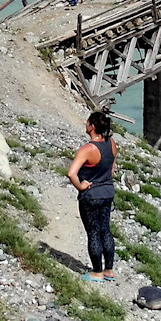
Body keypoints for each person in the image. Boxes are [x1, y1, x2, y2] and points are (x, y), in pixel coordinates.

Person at [65, 109, 116, 281]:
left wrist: (81, 186)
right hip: (108, 191)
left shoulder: (87, 149)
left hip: (91, 195)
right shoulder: (111, 143)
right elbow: (113, 167)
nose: (85, 124)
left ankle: (97, 272)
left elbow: (71, 173)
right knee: (106, 231)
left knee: (93, 232)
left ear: (92, 126)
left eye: (87, 122)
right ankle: (109, 270)